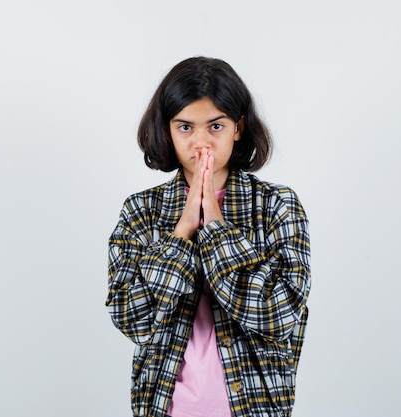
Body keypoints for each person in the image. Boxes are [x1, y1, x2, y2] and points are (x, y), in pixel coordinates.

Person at [106, 56, 311, 417]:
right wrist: (181, 233)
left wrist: (215, 226)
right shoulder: (140, 211)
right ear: (167, 130)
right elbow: (132, 319)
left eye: (215, 126)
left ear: (238, 127)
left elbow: (280, 312)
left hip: (255, 408)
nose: (202, 143)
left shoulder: (278, 205)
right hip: (164, 408)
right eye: (185, 128)